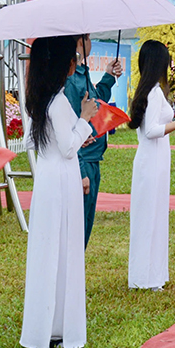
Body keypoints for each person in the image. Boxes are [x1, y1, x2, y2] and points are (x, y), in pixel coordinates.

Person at [21, 35, 98, 348]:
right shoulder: (61, 101)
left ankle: (46, 326)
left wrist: (77, 130)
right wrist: (85, 118)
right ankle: (62, 327)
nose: (76, 63)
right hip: (63, 178)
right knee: (64, 249)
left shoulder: (38, 99)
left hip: (47, 178)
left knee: (47, 250)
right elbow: (68, 147)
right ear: (62, 63)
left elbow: (37, 142)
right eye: (74, 58)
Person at [127, 40, 175, 290]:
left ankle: (150, 275)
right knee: (149, 218)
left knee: (152, 216)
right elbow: (151, 131)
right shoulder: (154, 93)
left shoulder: (151, 89)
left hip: (155, 159)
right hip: (151, 160)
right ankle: (144, 277)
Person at [64, 34, 122, 249]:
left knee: (86, 223)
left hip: (93, 158)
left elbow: (96, 105)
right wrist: (81, 172)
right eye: (88, 38)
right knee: (77, 226)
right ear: (82, 40)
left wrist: (108, 77)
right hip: (83, 160)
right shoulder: (71, 79)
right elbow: (70, 128)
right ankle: (72, 279)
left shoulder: (82, 73)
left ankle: (77, 277)